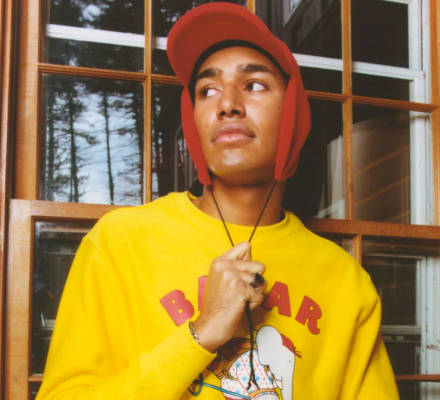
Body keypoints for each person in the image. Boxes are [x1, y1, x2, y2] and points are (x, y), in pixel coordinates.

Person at [37, 3, 399, 399]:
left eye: (254, 84)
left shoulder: (345, 282)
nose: (227, 104)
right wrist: (201, 333)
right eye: (207, 90)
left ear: (293, 115)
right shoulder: (120, 243)